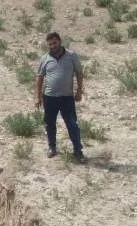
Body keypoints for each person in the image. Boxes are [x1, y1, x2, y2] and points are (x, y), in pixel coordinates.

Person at [34, 32, 86, 163]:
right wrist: (37, 97)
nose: (52, 46)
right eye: (50, 44)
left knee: (72, 124)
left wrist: (79, 91)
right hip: (49, 98)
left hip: (67, 98)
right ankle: (52, 147)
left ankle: (78, 150)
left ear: (60, 41)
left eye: (54, 43)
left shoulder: (71, 56)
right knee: (50, 124)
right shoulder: (45, 58)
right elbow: (39, 77)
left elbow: (79, 73)